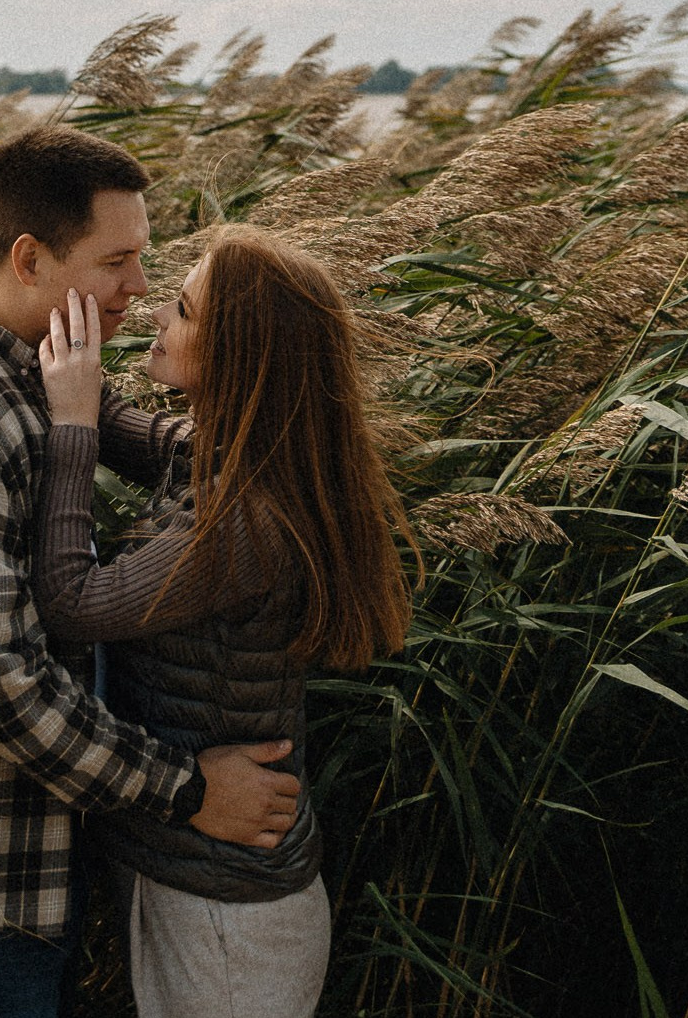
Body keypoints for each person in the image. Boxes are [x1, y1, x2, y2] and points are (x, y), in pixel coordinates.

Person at [0, 127, 303, 1018]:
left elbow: (159, 441)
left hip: (23, 866)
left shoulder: (33, 366)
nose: (139, 286)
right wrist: (188, 789)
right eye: (116, 261)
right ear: (29, 259)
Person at [31, 226, 414, 1018]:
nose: (156, 315)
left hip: (226, 922)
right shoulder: (238, 455)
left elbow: (73, 601)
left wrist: (69, 429)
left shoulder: (243, 519)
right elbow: (122, 425)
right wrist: (27, 326)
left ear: (236, 352)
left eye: (180, 309)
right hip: (210, 889)